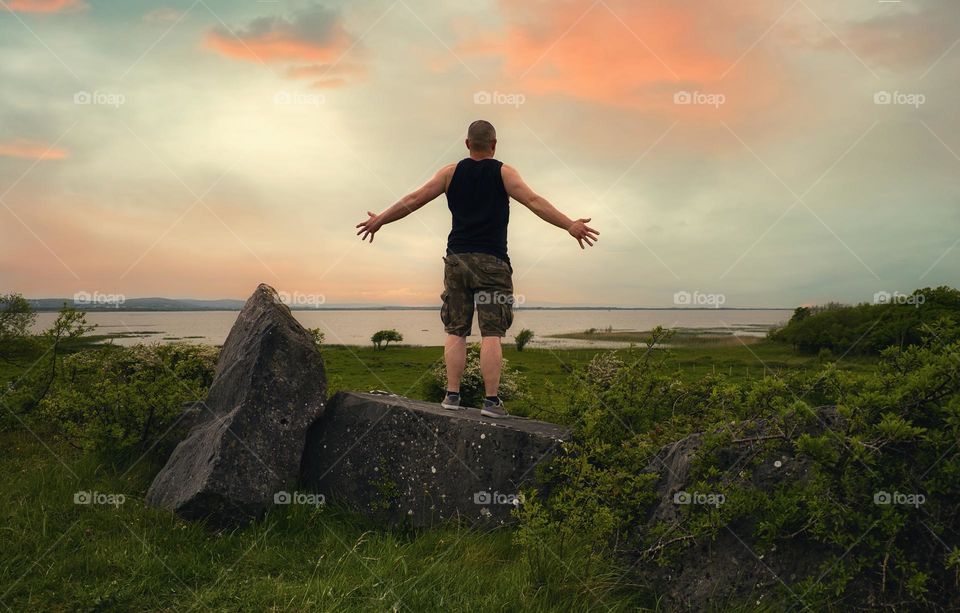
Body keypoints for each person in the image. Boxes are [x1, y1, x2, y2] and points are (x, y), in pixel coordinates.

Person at [356, 120, 599, 418]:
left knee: (456, 330)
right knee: (491, 333)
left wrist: (380, 219)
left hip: (456, 260)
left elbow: (413, 200)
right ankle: (491, 402)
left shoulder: (450, 173)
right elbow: (534, 202)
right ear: (494, 144)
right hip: (493, 264)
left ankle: (452, 395)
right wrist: (570, 225)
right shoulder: (504, 172)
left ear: (467, 144)